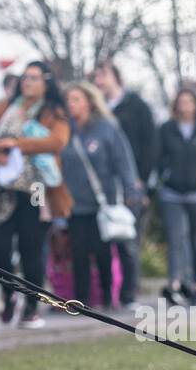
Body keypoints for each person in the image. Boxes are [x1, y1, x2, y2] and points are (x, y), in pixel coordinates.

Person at [0, 60, 72, 328]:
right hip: (1, 189)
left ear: (46, 82)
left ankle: (31, 305)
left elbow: (57, 142)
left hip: (37, 189)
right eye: (25, 77)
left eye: (34, 77)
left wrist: (17, 145)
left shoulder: (54, 112)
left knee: (32, 248)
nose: (27, 82)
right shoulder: (4, 107)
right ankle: (9, 294)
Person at [60, 81, 142, 309]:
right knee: (78, 254)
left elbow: (122, 160)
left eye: (76, 99)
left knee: (102, 251)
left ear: (89, 102)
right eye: (69, 100)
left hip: (102, 202)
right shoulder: (64, 130)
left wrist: (130, 190)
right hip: (74, 203)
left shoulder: (106, 127)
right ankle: (80, 302)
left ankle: (108, 298)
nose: (71, 104)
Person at [92, 61, 156, 307]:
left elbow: (150, 144)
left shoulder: (136, 107)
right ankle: (107, 294)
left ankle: (129, 294)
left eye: (103, 75)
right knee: (104, 241)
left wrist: (141, 179)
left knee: (128, 239)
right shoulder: (97, 111)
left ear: (116, 77)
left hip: (131, 183)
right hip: (103, 187)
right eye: (96, 77)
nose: (99, 81)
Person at [155, 88, 196, 305]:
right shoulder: (166, 129)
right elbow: (159, 156)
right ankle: (174, 283)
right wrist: (166, 174)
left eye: (189, 102)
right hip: (172, 192)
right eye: (181, 102)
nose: (185, 106)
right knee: (175, 238)